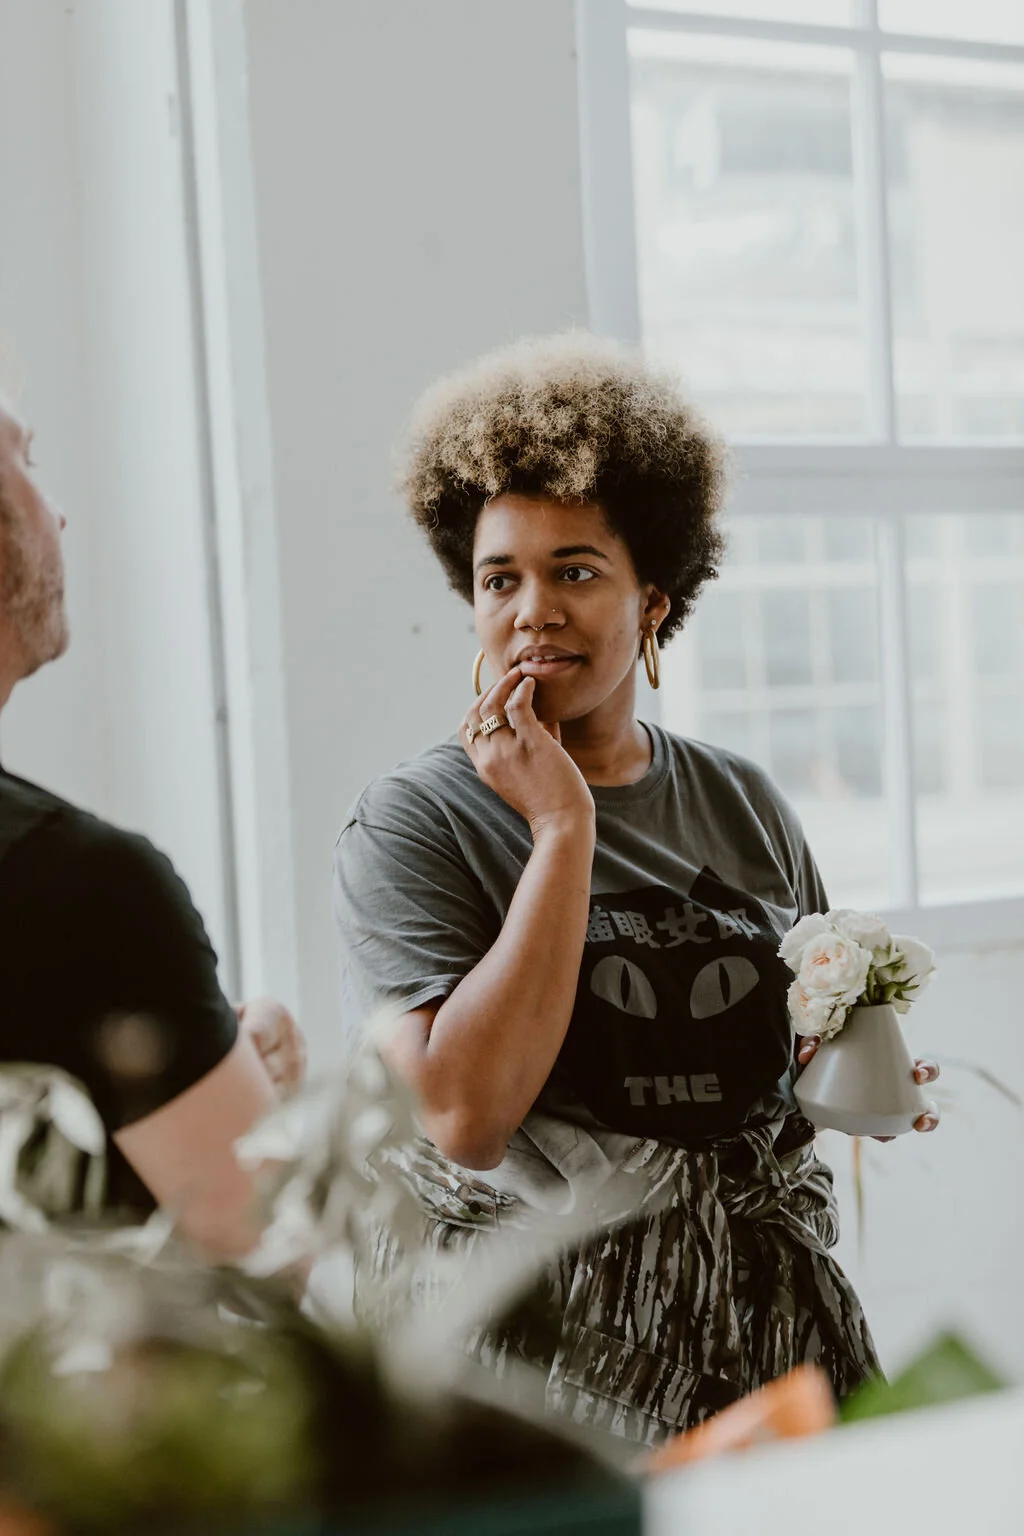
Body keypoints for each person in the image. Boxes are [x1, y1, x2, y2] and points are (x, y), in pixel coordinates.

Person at [333, 335, 940, 1446]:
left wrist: (859, 1062)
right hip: (548, 1361)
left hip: (767, 1332)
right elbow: (465, 1117)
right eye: (498, 579)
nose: (531, 610)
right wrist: (561, 824)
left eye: (575, 571)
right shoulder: (416, 821)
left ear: (652, 601)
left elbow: (782, 1067)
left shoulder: (741, 801)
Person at [0, 397, 303, 1259]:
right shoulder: (86, 891)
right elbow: (265, 1260)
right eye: (26, 461)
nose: (56, 510)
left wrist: (200, 1062)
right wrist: (254, 1106)